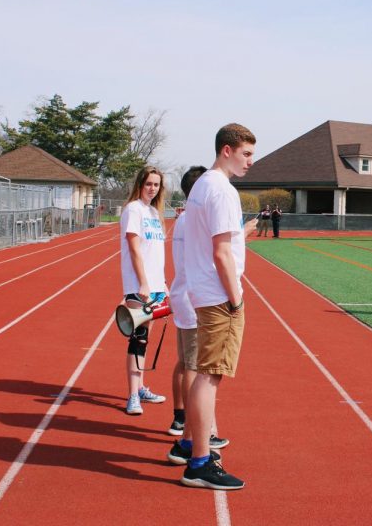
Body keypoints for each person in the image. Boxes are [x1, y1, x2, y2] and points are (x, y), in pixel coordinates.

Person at [181, 123, 258, 491]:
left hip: (202, 289)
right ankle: (199, 461)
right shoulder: (223, 191)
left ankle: (188, 446)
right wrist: (236, 297)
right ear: (226, 150)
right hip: (217, 294)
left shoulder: (201, 186)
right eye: (246, 154)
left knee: (201, 370)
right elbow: (221, 251)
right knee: (209, 374)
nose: (250, 162)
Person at [166, 165, 230, 465]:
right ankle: (191, 437)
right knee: (197, 367)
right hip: (194, 300)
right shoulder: (194, 220)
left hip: (182, 296)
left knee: (187, 363)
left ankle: (186, 427)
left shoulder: (183, 220)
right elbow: (215, 255)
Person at [119, 166, 169, 415]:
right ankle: (132, 396)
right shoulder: (133, 210)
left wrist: (161, 283)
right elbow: (135, 249)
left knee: (145, 340)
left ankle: (140, 388)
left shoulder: (153, 212)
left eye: (156, 184)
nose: (152, 188)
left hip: (156, 286)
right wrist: (143, 283)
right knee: (137, 339)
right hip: (140, 287)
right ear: (140, 184)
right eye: (148, 183)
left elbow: (155, 253)